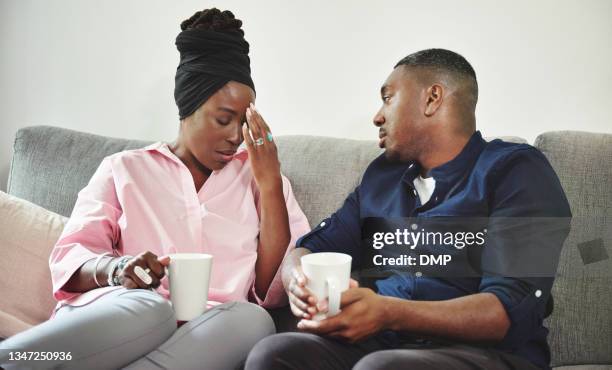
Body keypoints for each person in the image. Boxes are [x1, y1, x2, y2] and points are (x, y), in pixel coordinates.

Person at [0, 8, 310, 370]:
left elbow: (272, 289)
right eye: (224, 119)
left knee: (254, 320)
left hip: (214, 331)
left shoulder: (261, 177)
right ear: (187, 107)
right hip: (129, 313)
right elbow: (72, 258)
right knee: (153, 310)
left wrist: (270, 183)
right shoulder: (124, 169)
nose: (233, 135)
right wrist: (119, 270)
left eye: (243, 122)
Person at [245, 49, 572, 370]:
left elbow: (505, 311)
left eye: (388, 98)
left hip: (486, 355)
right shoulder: (382, 178)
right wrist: (298, 281)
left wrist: (387, 312)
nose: (377, 116)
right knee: (275, 352)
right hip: (384, 345)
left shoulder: (514, 171)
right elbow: (311, 249)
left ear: (432, 98)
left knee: (383, 366)